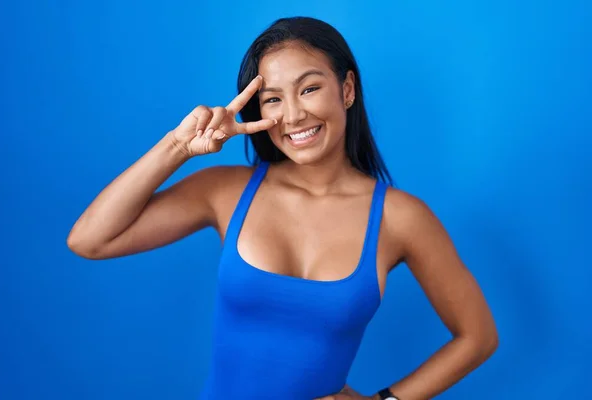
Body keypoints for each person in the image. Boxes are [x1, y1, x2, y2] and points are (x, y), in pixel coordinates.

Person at [67, 16, 498, 400]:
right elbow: (90, 240)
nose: (292, 115)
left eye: (309, 88)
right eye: (273, 99)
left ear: (346, 89)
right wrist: (178, 146)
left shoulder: (399, 218)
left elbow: (477, 336)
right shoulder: (227, 191)